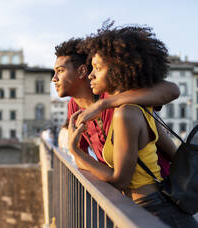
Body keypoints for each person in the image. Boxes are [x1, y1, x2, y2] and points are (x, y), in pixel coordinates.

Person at [68, 24, 198, 228]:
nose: (90, 75)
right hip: (148, 208)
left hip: (156, 210)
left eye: (97, 68)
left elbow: (119, 179)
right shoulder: (130, 106)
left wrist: (75, 151)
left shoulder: (125, 113)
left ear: (118, 69)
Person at [52, 38, 177, 177]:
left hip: (160, 184)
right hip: (120, 193)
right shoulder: (74, 107)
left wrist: (103, 104)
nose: (54, 78)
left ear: (82, 71)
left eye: (60, 71)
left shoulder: (115, 94)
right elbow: (80, 156)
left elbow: (171, 90)